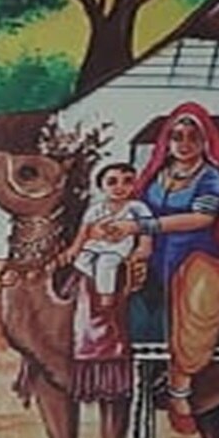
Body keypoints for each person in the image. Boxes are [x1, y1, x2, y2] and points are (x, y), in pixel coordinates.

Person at [138, 103, 219, 433]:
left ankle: (180, 389)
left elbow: (203, 217)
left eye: (192, 137)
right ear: (168, 141)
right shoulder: (157, 173)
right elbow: (137, 211)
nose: (184, 144)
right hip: (153, 253)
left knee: (198, 299)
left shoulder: (209, 175)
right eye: (177, 136)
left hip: (198, 254)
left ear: (205, 142)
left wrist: (148, 227)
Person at [69, 161, 152, 381]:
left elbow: (146, 231)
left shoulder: (137, 208)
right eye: (112, 182)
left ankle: (106, 295)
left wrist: (144, 247)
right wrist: (74, 249)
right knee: (83, 260)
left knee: (106, 264)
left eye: (127, 182)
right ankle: (92, 287)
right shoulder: (96, 209)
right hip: (96, 245)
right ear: (102, 186)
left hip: (118, 248)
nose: (119, 187)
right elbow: (83, 232)